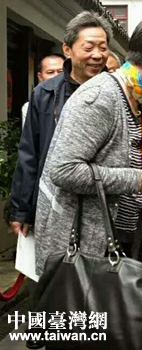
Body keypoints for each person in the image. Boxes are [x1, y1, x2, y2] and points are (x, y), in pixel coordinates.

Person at [34, 14, 142, 284]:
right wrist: (139, 181)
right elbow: (64, 170)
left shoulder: (139, 98)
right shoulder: (101, 97)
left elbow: (135, 163)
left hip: (115, 242)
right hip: (83, 251)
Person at [10, 11, 112, 238]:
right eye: (88, 48)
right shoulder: (44, 93)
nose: (97, 55)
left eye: (103, 48)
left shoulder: (117, 92)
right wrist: (22, 210)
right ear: (68, 49)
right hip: (53, 201)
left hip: (101, 203)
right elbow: (30, 153)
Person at [21, 54, 65, 127]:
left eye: (60, 71)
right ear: (40, 77)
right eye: (50, 72)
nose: (56, 76)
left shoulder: (76, 99)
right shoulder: (30, 106)